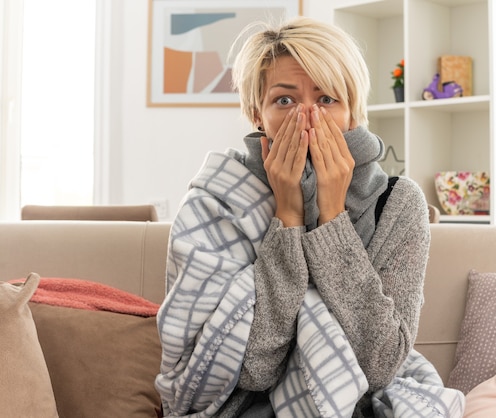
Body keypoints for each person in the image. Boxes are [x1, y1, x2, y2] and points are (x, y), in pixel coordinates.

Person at [154, 16, 450, 418]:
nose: (307, 118)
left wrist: (332, 219)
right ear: (258, 114)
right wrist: (287, 216)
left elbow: (381, 367)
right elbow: (252, 372)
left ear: (353, 113)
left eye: (327, 99)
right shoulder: (217, 199)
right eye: (285, 101)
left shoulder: (398, 203)